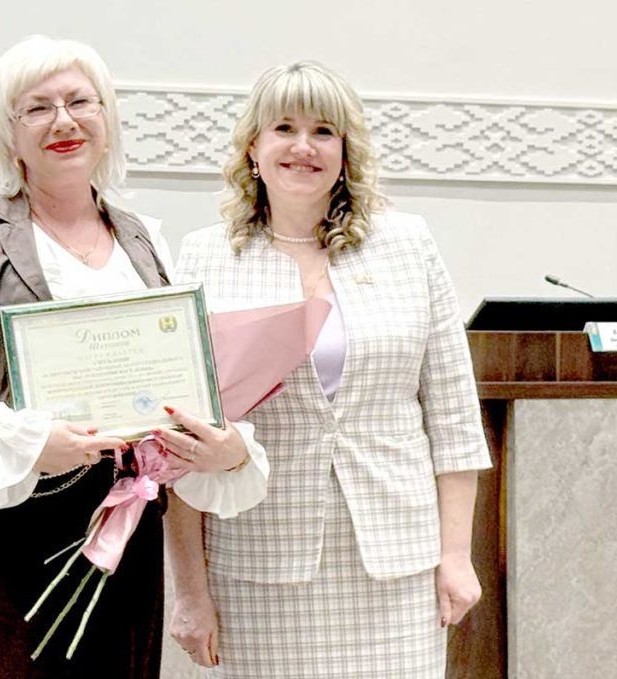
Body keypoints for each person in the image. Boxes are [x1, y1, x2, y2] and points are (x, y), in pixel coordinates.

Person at [0, 36, 265, 679]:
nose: (63, 121)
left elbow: (178, 386)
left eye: (79, 102)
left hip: (129, 533)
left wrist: (217, 445)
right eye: (37, 108)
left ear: (107, 119)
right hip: (10, 537)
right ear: (8, 133)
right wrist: (31, 441)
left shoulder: (145, 239)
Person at [166, 61, 492, 677]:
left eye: (323, 131)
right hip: (259, 562)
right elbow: (180, 450)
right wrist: (189, 590)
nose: (303, 146)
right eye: (284, 128)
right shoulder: (206, 257)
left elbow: (453, 417)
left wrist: (456, 555)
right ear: (253, 148)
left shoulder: (408, 245)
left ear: (345, 151)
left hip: (398, 563)